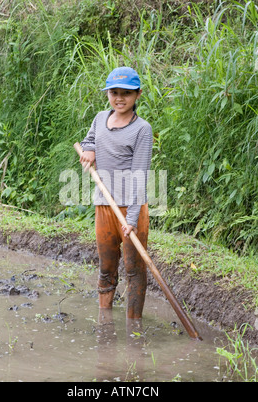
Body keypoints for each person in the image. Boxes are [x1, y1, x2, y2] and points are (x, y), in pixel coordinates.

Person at [79, 66, 153, 320]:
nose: (119, 98)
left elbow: (140, 175)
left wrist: (132, 218)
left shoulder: (142, 129)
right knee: (106, 267)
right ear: (108, 93)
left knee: (134, 270)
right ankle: (105, 320)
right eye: (114, 92)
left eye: (126, 93)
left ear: (138, 95)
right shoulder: (100, 118)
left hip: (131, 210)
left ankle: (134, 326)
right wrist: (89, 150)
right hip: (104, 206)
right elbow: (89, 141)